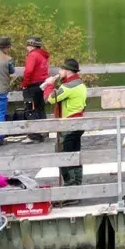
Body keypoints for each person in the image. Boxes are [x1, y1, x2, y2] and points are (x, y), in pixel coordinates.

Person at [45, 58, 88, 188]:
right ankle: (77, 185)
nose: (60, 71)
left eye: (62, 69)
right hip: (79, 123)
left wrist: (49, 84)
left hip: (69, 125)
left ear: (68, 71)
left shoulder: (68, 86)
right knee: (75, 155)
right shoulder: (80, 84)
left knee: (63, 156)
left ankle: (70, 186)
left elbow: (51, 99)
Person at [21, 36, 50, 141]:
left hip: (32, 85)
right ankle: (44, 132)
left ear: (31, 45)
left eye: (28, 45)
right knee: (40, 109)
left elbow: (28, 71)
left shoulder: (33, 55)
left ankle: (34, 136)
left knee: (30, 110)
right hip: (42, 85)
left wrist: (24, 83)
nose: (27, 47)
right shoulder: (43, 55)